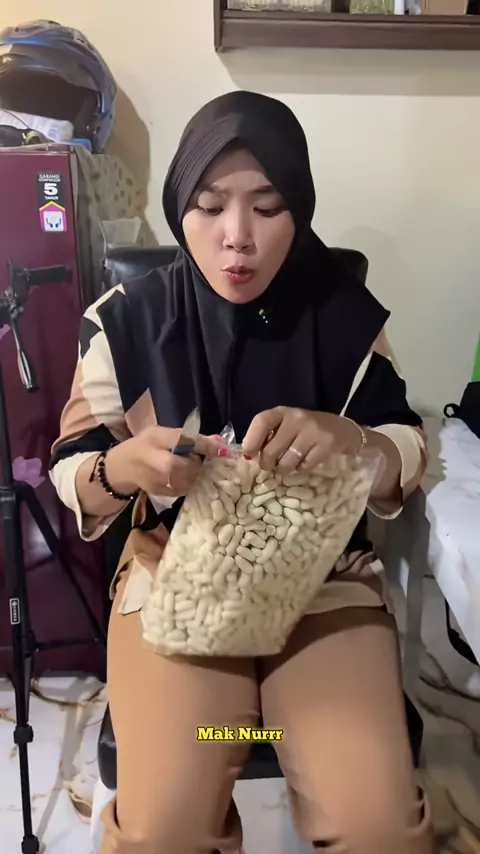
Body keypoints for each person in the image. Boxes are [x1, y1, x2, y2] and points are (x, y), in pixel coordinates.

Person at [50, 92, 432, 854]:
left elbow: (407, 445)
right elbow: (70, 469)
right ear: (179, 206)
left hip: (322, 588)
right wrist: (122, 467)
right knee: (162, 828)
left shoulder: (343, 315)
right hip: (177, 585)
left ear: (300, 209)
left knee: (377, 827)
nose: (237, 238)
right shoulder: (126, 321)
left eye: (267, 207)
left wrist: (354, 441)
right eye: (210, 205)